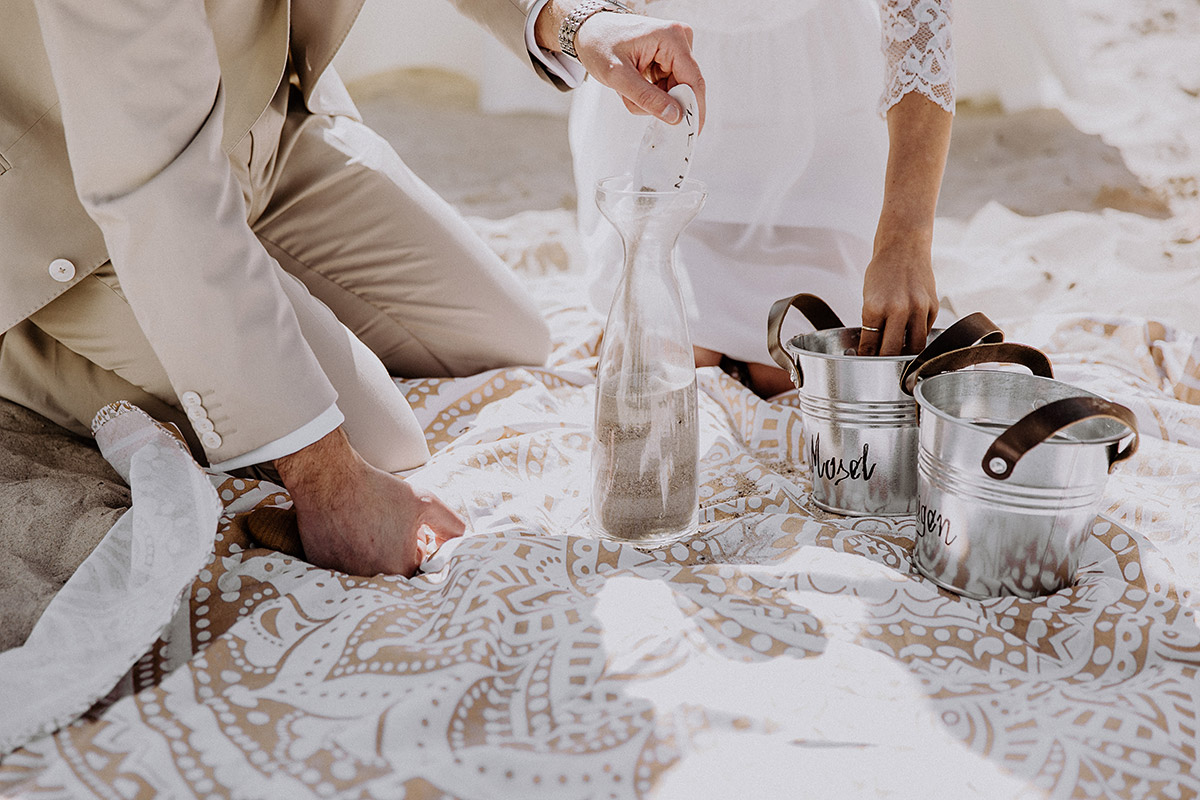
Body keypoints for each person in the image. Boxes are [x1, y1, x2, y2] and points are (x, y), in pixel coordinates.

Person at [0, 0, 705, 577]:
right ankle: (20, 334)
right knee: (376, 442)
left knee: (505, 334)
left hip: (261, 122)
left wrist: (576, 23)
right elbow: (158, 193)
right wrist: (326, 478)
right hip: (78, 206)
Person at [570, 0, 953, 397]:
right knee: (671, 357)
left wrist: (906, 241)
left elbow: (923, 25)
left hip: (821, 113)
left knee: (806, 364)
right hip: (662, 89)